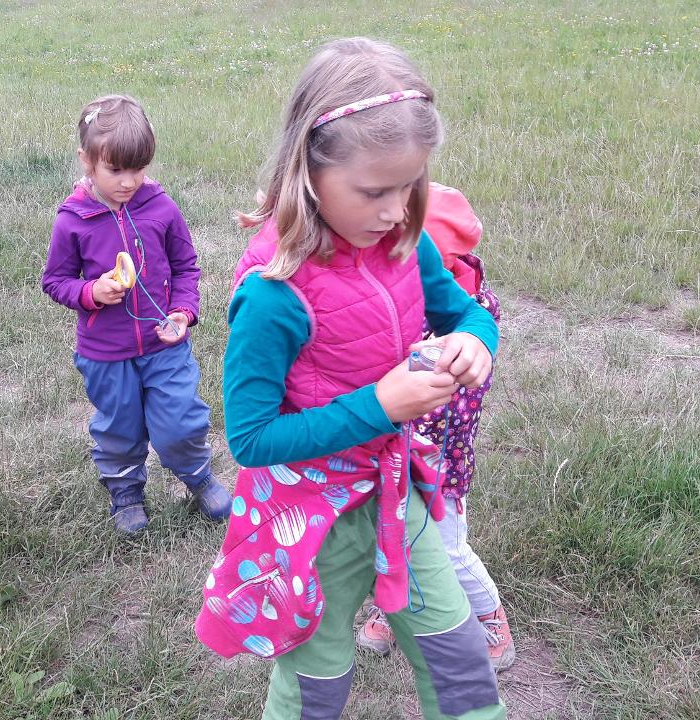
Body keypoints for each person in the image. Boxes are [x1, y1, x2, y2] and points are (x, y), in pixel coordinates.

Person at [194, 39, 506, 719]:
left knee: (458, 658)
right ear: (308, 167)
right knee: (317, 678)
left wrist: (474, 342)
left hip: (397, 493)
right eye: (374, 191)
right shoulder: (273, 293)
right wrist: (381, 405)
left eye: (411, 186)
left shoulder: (404, 243)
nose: (396, 210)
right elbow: (251, 439)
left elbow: (465, 312)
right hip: (309, 520)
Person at [41, 94, 232, 534]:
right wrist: (90, 292)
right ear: (87, 160)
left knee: (180, 421)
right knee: (119, 428)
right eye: (116, 170)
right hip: (106, 354)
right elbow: (55, 281)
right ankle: (125, 491)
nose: (129, 182)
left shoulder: (161, 208)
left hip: (165, 346)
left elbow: (186, 267)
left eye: (139, 169)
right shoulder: (73, 220)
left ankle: (197, 476)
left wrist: (183, 311)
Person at [356, 183, 515, 670]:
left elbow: (445, 407)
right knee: (390, 537)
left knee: (446, 549)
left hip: (437, 468)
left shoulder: (460, 324)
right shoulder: (401, 306)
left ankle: (492, 620)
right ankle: (393, 608)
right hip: (392, 457)